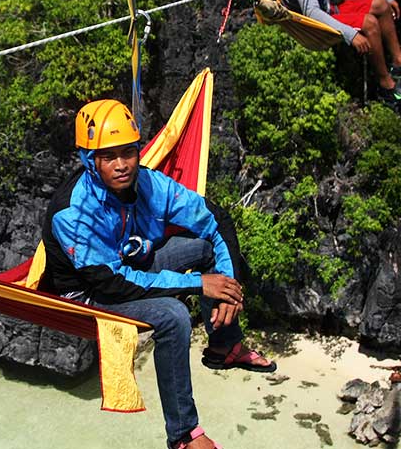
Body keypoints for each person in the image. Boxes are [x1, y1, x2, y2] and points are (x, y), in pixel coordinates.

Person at [41, 99, 275, 449]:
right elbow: (112, 284)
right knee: (174, 315)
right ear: (90, 160)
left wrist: (228, 286)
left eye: (128, 152)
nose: (122, 165)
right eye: (109, 157)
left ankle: (224, 346)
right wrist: (198, 283)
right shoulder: (73, 212)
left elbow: (215, 219)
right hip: (91, 294)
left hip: (131, 266)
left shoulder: (149, 184)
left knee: (206, 247)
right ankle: (183, 435)